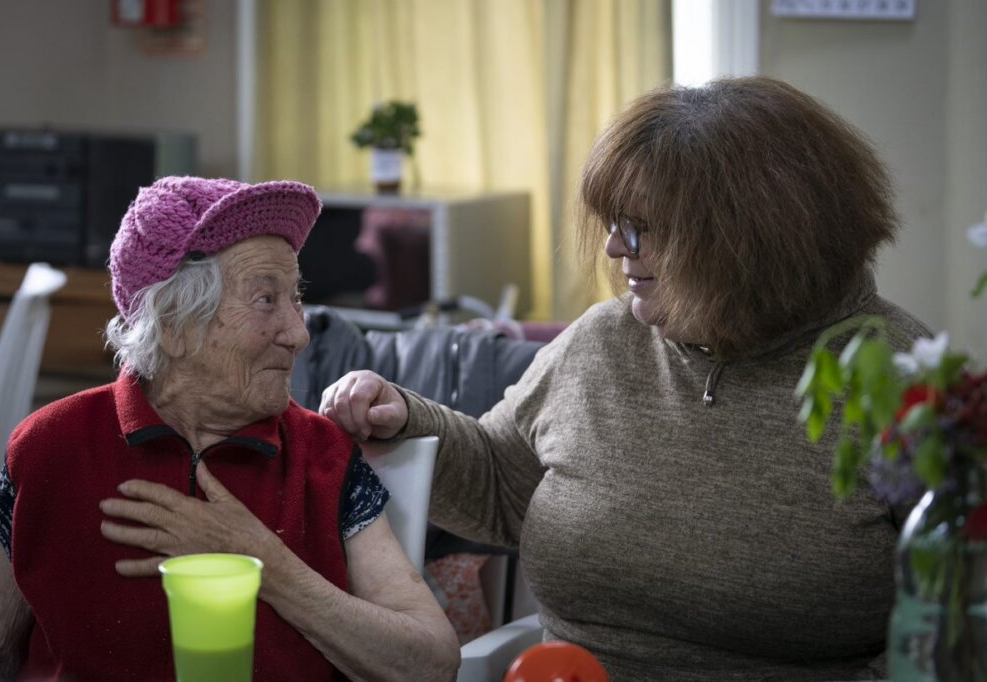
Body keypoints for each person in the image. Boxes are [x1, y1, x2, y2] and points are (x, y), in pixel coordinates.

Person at [319, 77, 931, 681]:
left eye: (639, 227)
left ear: (747, 239)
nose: (613, 247)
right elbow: (502, 484)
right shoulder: (603, 340)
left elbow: (953, 621)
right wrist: (405, 415)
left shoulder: (906, 384)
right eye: (612, 222)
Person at [0, 177, 459, 681]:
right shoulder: (52, 446)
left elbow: (432, 664)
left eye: (296, 298)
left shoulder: (322, 454)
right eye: (267, 299)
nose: (299, 334)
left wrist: (266, 562)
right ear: (174, 323)